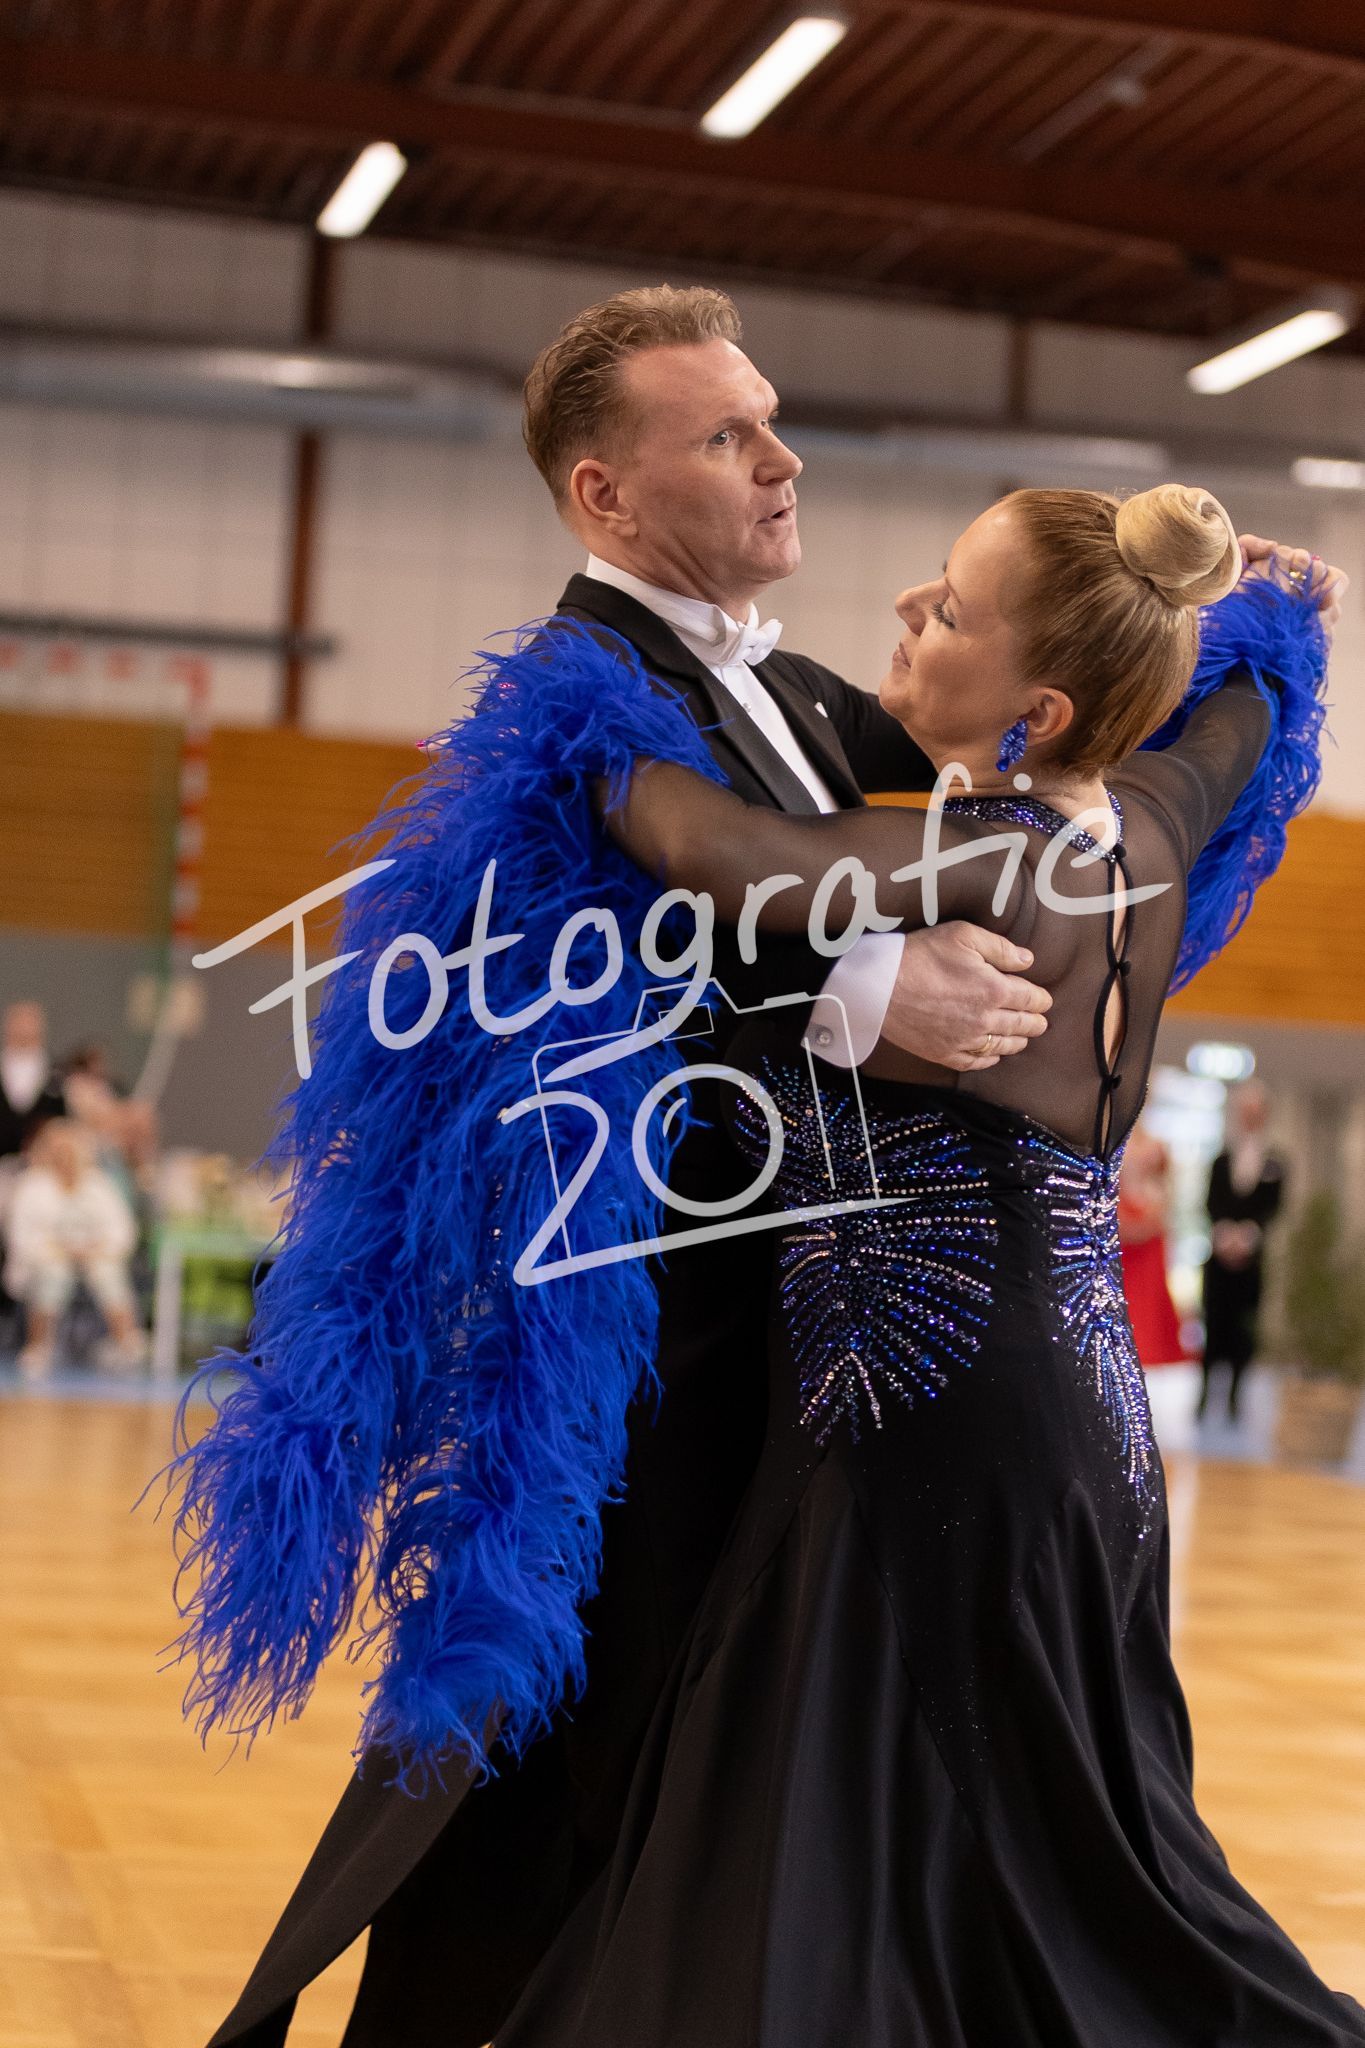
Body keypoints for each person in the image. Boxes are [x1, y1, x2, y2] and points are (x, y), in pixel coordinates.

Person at [190, 294, 1338, 2048]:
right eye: (726, 435)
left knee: (835, 1823)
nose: (784, 458)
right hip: (680, 1382)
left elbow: (851, 846)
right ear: (605, 493)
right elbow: (517, 1011)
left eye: (770, 416)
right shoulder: (570, 713)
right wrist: (850, 992)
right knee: (639, 1806)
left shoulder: (821, 711)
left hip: (869, 1390)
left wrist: (1176, 639)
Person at [476, 490, 1361, 2043]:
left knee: (862, 1806)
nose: (907, 610)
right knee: (1035, 1824)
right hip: (1081, 1419)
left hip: (926, 1399)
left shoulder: (985, 859)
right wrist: (1268, 636)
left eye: (949, 607)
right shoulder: (1148, 825)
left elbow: (726, 849)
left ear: (1039, 709)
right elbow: (1233, 729)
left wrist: (579, 703)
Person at [4, 1117, 146, 1380]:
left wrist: (95, 1249)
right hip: (46, 1259)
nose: (65, 1157)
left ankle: (127, 1342)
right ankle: (38, 1346)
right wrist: (58, 1249)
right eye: (58, 1150)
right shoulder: (32, 1186)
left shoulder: (98, 1185)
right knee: (54, 1275)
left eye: (71, 1150)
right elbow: (21, 1238)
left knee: (106, 1273)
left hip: (94, 1256)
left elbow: (123, 1230)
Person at [1200, 1077, 1286, 1423]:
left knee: (1243, 1329)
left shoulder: (1275, 1162)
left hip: (1251, 1261)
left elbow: (1273, 1207)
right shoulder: (1221, 1160)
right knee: (1214, 1324)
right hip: (1219, 1257)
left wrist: (1247, 1237)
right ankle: (1204, 1394)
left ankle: (1235, 1397)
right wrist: (1225, 1237)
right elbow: (1211, 1203)